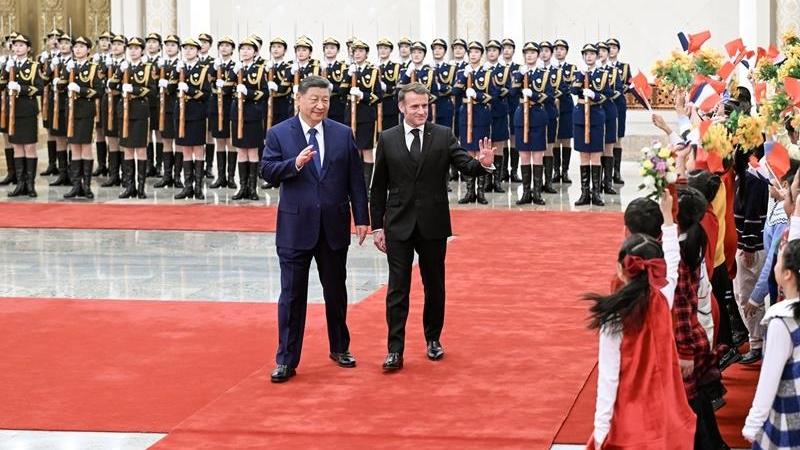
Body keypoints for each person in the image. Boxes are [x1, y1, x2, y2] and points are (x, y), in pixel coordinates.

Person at [370, 82, 495, 371]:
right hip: (398, 224)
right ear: (401, 107)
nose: (421, 111)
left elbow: (465, 165)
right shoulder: (387, 138)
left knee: (435, 286)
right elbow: (378, 187)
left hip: (433, 224)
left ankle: (433, 339)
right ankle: (395, 350)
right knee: (397, 289)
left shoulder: (442, 134)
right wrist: (378, 227)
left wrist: (483, 164)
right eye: (415, 106)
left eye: (425, 106)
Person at [261, 75, 369, 383]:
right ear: (298, 99)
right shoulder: (279, 133)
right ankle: (286, 359)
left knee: (336, 291)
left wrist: (362, 217)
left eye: (325, 100)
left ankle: (340, 347)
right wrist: (294, 164)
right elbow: (267, 171)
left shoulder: (342, 133)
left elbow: (355, 179)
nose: (320, 106)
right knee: (292, 295)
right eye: (314, 100)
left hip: (333, 225)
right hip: (295, 227)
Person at [586, 193, 696, 449]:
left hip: (629, 413)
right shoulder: (664, 296)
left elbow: (609, 376)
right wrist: (668, 218)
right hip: (663, 408)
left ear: (621, 269)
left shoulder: (614, 316)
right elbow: (673, 260)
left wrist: (601, 431)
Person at [743, 206, 800, 448]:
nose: (773, 263)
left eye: (778, 259)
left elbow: (769, 379)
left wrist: (753, 425)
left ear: (787, 274)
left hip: (788, 416)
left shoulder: (781, 321)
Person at [112, 36, 157, 199]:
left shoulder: (148, 68)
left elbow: (152, 91)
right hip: (124, 111)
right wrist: (119, 72)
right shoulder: (123, 66)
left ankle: (141, 187)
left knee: (141, 149)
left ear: (142, 51)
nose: (133, 51)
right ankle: (129, 186)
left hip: (140, 111)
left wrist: (134, 90)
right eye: (130, 48)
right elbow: (111, 85)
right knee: (127, 148)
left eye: (136, 48)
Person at [63, 36, 103, 200]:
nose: (78, 49)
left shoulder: (94, 68)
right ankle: (76, 185)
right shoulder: (69, 66)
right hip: (71, 111)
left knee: (85, 147)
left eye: (81, 46)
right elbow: (60, 86)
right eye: (76, 47)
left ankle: (86, 186)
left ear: (88, 50)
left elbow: (99, 91)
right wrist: (63, 76)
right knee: (74, 147)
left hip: (86, 111)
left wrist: (81, 90)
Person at [571, 43, 611, 207]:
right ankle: (584, 193)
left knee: (595, 155)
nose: (589, 56)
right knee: (583, 156)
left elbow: (607, 95)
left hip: (595, 115)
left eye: (592, 54)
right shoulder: (578, 73)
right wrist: (581, 75)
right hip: (581, 115)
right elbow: (573, 91)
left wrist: (594, 95)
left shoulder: (603, 74)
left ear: (597, 56)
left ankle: (596, 193)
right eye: (586, 54)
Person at [452, 41, 492, 204]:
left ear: (481, 55)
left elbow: (493, 95)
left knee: (481, 152)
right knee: (468, 152)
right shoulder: (462, 71)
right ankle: (469, 191)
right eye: (471, 52)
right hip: (465, 115)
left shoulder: (487, 73)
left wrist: (477, 95)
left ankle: (480, 192)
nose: (473, 54)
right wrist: (464, 76)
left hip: (481, 114)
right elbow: (455, 91)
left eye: (477, 52)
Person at [511, 42, 550, 205]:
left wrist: (533, 95)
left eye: (533, 52)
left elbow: (549, 96)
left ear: (538, 55)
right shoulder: (517, 73)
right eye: (527, 53)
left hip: (537, 116)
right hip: (521, 116)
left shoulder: (544, 74)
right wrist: (520, 76)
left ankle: (537, 193)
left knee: (538, 155)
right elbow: (512, 92)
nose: (530, 55)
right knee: (524, 155)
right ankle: (526, 193)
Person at [5, 33, 43, 198]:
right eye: (15, 45)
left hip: (27, 110)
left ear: (28, 48)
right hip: (13, 111)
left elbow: (40, 88)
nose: (18, 48)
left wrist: (22, 88)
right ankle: (20, 184)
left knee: (29, 147)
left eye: (21, 45)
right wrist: (4, 71)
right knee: (17, 147)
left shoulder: (34, 66)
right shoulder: (9, 65)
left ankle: (30, 185)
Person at [173, 38, 211, 200]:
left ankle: (198, 187)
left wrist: (189, 90)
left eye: (191, 48)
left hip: (196, 113)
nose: (188, 51)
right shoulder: (179, 68)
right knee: (186, 149)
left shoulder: (203, 70)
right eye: (185, 48)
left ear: (197, 51)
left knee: (198, 149)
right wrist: (175, 74)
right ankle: (188, 187)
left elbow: (206, 94)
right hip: (181, 114)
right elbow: (170, 89)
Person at [230, 36, 267, 201]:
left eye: (249, 49)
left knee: (252, 151)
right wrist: (233, 73)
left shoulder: (260, 70)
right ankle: (242, 187)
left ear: (255, 52)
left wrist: (248, 93)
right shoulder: (235, 68)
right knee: (241, 151)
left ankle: (252, 188)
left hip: (253, 114)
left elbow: (265, 93)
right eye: (243, 49)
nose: (245, 52)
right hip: (237, 115)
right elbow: (225, 89)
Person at [344, 39, 382, 189]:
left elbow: (378, 96)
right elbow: (341, 92)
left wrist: (362, 95)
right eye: (355, 51)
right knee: (352, 151)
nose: (357, 54)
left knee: (366, 150)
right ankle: (353, 186)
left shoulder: (373, 71)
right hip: (350, 115)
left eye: (361, 51)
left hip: (366, 116)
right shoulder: (349, 70)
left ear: (366, 54)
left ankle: (365, 188)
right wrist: (348, 76)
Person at [207, 36, 237, 190]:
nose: (224, 48)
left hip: (230, 105)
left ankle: (231, 177)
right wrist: (214, 68)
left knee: (230, 141)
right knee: (219, 141)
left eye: (227, 46)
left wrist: (225, 85)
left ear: (232, 49)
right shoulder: (214, 65)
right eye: (222, 46)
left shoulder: (236, 66)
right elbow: (207, 81)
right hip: (216, 106)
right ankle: (220, 176)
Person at [153, 34, 182, 189]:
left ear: (178, 48)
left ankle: (177, 176)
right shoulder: (159, 65)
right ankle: (167, 175)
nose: (169, 48)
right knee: (166, 141)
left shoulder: (181, 64)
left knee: (179, 142)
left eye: (173, 45)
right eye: (167, 45)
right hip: (163, 107)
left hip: (177, 106)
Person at [554, 38, 576, 184]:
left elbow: (572, 87)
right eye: (556, 49)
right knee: (555, 139)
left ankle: (565, 171)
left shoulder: (572, 68)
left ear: (566, 52)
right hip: (552, 106)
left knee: (566, 140)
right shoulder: (549, 68)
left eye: (562, 49)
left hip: (566, 106)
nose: (559, 51)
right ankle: (556, 171)